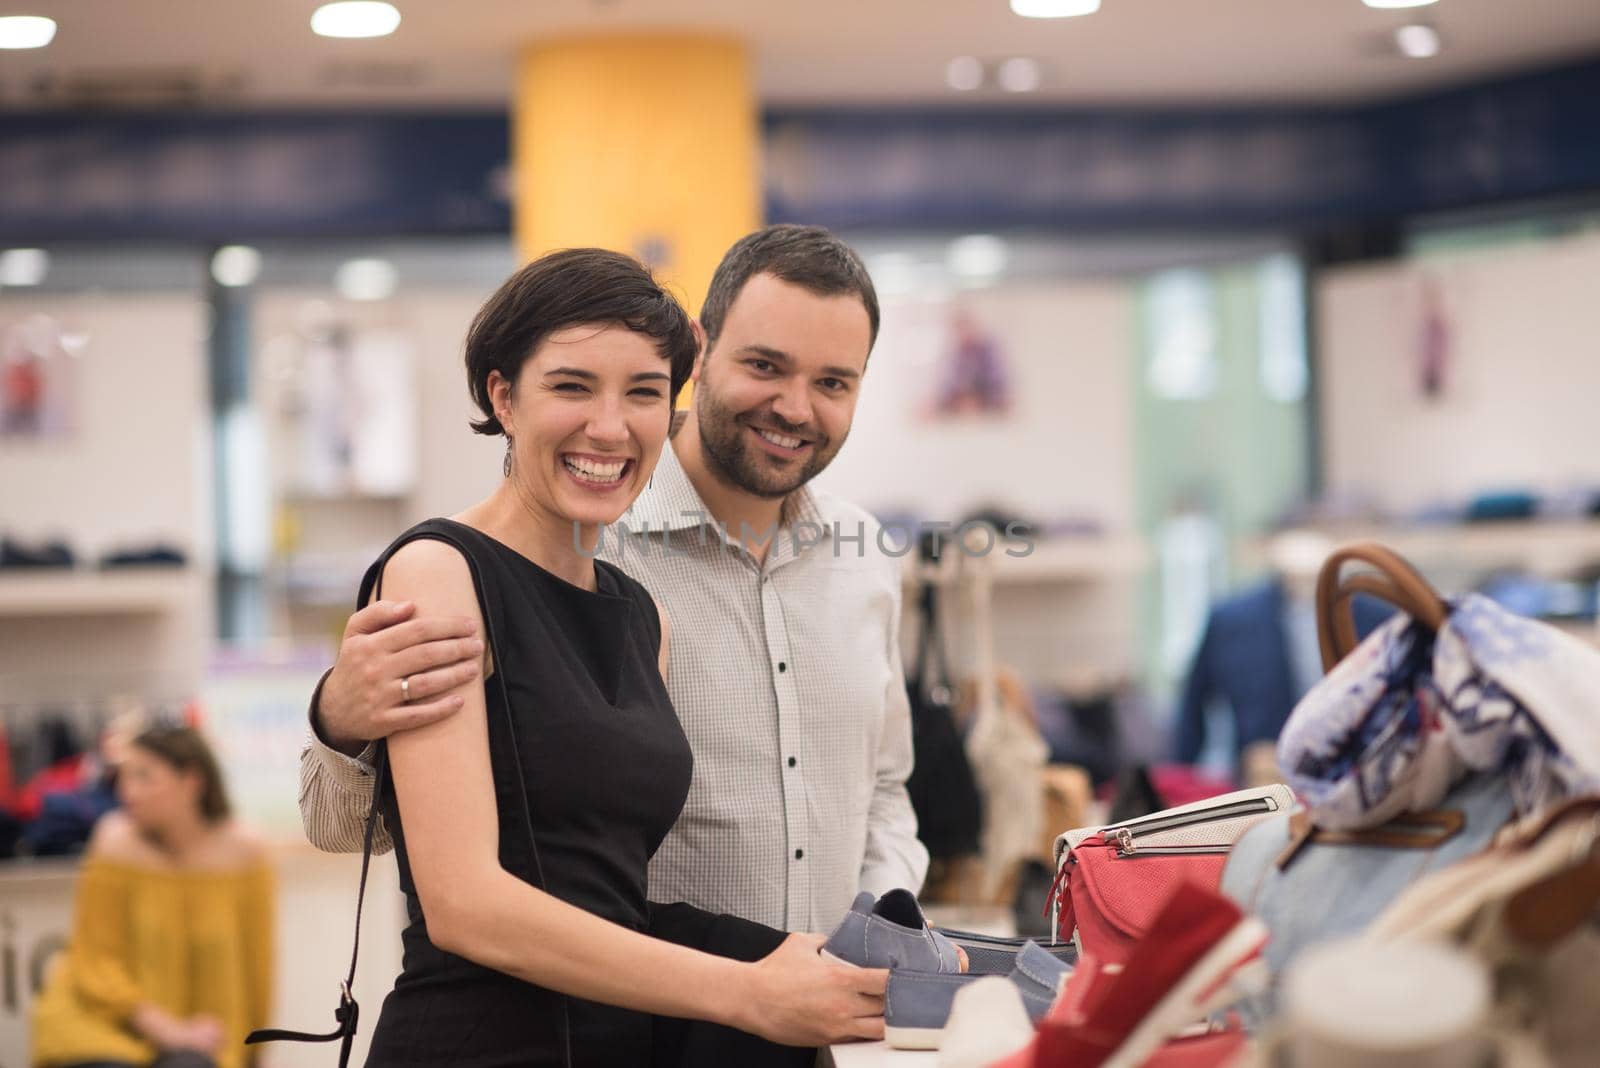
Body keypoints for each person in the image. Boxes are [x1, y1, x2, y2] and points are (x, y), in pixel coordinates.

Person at [285, 247, 885, 1067]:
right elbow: (464, 905)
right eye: (572, 386)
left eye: (642, 392)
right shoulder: (441, 573)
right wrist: (746, 991)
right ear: (504, 395)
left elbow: (613, 888)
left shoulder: (642, 617)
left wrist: (811, 962)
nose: (610, 426)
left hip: (628, 1042)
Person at [30, 724, 273, 1068]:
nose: (129, 792)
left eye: (145, 777)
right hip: (102, 1025)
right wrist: (169, 1030)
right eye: (124, 778)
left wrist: (252, 1054)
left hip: (204, 1041)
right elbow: (95, 962)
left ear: (191, 781)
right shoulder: (114, 840)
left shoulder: (245, 853)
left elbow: (256, 968)